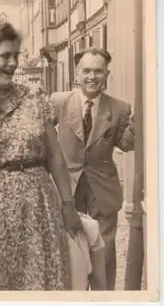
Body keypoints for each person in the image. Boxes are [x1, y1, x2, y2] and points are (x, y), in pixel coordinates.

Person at [0, 18, 82, 290]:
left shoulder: (34, 96)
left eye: (16, 55)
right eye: (4, 56)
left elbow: (55, 157)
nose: (13, 63)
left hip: (36, 210)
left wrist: (68, 207)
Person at [49, 47, 135, 290]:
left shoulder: (119, 108)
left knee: (104, 254)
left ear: (107, 74)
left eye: (98, 71)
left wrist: (140, 121)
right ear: (76, 74)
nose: (92, 76)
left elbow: (126, 144)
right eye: (86, 70)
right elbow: (40, 135)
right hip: (67, 190)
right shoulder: (59, 102)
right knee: (69, 252)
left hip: (102, 192)